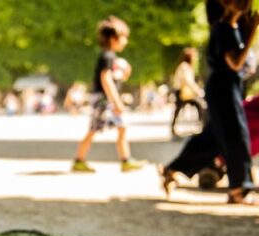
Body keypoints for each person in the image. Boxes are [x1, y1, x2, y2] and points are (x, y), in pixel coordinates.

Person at [160, 0, 258, 205]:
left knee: (214, 137)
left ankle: (173, 168)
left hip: (226, 87)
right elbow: (236, 63)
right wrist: (252, 32)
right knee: (237, 137)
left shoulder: (227, 28)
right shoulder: (224, 29)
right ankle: (239, 189)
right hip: (224, 88)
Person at [72, 16, 145, 173]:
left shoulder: (111, 57)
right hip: (103, 100)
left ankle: (125, 160)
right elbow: (106, 79)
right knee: (94, 129)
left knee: (121, 127)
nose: (125, 41)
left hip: (106, 99)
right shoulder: (107, 56)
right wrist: (116, 101)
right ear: (114, 38)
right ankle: (79, 160)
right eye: (124, 38)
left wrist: (125, 72)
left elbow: (115, 78)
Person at [170, 48, 206, 137]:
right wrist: (197, 91)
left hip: (184, 92)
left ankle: (173, 128)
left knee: (179, 109)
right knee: (196, 106)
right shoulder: (184, 66)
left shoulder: (185, 66)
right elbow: (188, 81)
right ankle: (202, 126)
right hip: (182, 92)